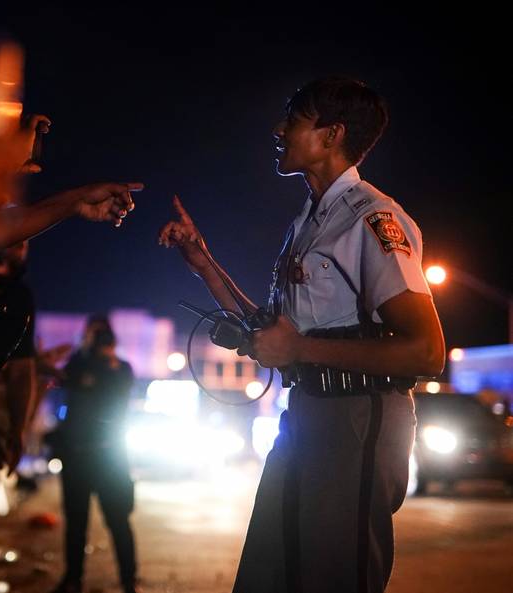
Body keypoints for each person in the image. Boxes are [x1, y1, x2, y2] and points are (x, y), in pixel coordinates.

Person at [159, 77, 445, 593]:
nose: (278, 129)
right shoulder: (309, 223)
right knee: (270, 574)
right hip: (307, 415)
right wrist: (203, 263)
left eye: (293, 118)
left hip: (358, 421)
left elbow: (426, 352)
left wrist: (298, 349)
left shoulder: (373, 218)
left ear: (332, 134)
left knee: (333, 578)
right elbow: (275, 333)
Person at [51, 316, 140, 593]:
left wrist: (103, 357)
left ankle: (128, 581)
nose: (98, 338)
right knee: (76, 523)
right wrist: (83, 351)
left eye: (102, 334)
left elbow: (117, 391)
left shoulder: (121, 368)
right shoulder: (78, 364)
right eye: (93, 333)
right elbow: (65, 381)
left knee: (118, 520)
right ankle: (72, 580)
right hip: (77, 455)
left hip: (109, 457)